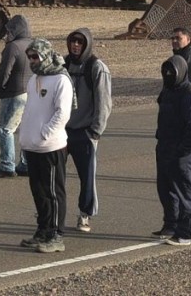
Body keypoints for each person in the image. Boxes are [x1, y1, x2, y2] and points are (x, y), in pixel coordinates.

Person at [18, 38, 74, 254]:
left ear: (46, 55)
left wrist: (44, 134)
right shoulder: (34, 80)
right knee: (38, 191)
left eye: (36, 57)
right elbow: (30, 109)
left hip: (51, 147)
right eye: (30, 57)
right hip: (32, 147)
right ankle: (43, 230)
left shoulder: (61, 80)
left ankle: (56, 234)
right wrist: (26, 135)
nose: (32, 61)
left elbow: (63, 114)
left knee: (53, 191)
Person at [63, 28, 112, 234]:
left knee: (87, 177)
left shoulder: (97, 67)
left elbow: (104, 102)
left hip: (85, 132)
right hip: (62, 132)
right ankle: (53, 215)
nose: (75, 45)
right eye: (73, 41)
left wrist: (95, 131)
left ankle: (85, 214)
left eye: (80, 42)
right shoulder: (63, 65)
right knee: (54, 176)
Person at [154, 55, 191, 247]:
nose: (168, 75)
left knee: (185, 193)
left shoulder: (190, 95)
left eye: (172, 71)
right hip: (165, 149)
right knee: (166, 190)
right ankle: (171, 225)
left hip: (183, 155)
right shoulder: (168, 91)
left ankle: (186, 233)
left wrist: (183, 152)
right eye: (166, 71)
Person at [0, 15, 33, 178]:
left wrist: (0, 88)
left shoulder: (13, 47)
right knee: (24, 129)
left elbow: (4, 71)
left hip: (14, 93)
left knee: (5, 129)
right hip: (30, 94)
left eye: (9, 31)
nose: (6, 34)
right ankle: (26, 163)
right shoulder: (33, 45)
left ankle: (7, 165)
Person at [171, 27, 191, 91]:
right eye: (172, 38)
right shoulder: (181, 54)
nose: (174, 41)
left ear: (188, 39)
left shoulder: (190, 58)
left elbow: (190, 86)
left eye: (178, 38)